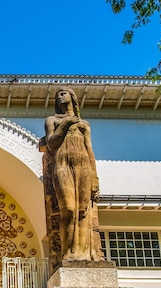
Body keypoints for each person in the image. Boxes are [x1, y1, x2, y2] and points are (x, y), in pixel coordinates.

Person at [44, 88, 103, 262]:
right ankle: (69, 252)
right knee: (68, 209)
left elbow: (90, 150)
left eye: (63, 93)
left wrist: (95, 180)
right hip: (62, 165)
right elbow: (51, 144)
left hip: (83, 165)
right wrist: (65, 124)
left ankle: (83, 253)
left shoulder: (84, 124)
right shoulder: (52, 120)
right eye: (57, 95)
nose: (60, 97)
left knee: (83, 210)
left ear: (72, 98)